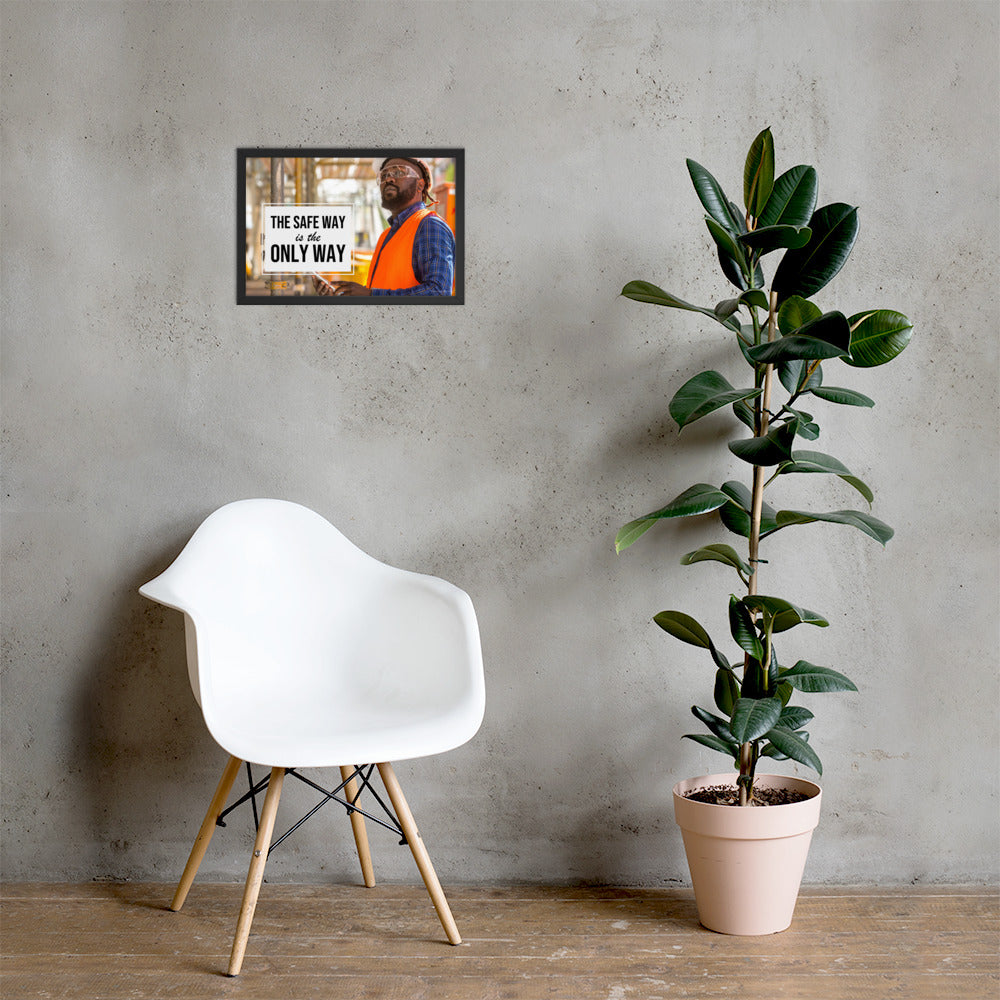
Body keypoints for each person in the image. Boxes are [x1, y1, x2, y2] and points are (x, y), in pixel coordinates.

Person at [314, 157, 455, 297]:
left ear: (420, 185)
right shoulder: (387, 235)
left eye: (399, 173)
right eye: (384, 175)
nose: (388, 179)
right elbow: (383, 288)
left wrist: (370, 295)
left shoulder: (430, 226)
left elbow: (438, 293)